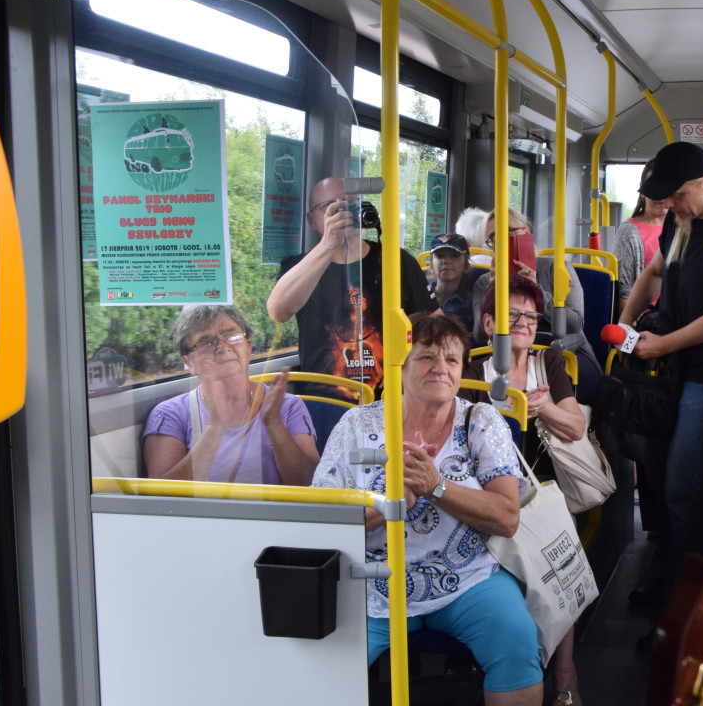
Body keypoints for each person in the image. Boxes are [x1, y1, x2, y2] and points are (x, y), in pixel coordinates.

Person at [312, 313, 542, 706]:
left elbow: (506, 517)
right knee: (320, 667)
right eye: (427, 357)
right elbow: (323, 525)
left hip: (467, 579)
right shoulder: (355, 424)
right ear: (399, 365)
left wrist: (436, 486)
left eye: (452, 360)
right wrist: (391, 503)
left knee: (518, 643)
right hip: (373, 583)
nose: (441, 368)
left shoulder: (480, 420)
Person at [617, 141, 703, 600]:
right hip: (666, 372)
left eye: (677, 194)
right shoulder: (678, 221)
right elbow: (653, 273)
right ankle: (669, 580)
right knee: (658, 482)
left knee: (683, 490)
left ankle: (686, 604)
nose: (669, 205)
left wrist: (662, 344)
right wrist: (624, 327)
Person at [459, 275, 586, 706]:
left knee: (556, 541)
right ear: (489, 320)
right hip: (484, 488)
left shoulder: (545, 363)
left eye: (531, 316)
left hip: (540, 487)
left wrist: (542, 406)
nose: (524, 323)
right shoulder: (472, 371)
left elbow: (576, 426)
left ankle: (564, 674)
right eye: (512, 315)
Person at [267, 176, 436, 402]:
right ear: (313, 220)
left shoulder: (395, 260)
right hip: (324, 400)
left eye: (351, 205)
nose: (344, 214)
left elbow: (435, 324)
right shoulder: (299, 267)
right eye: (331, 207)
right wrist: (328, 245)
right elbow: (278, 311)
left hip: (390, 399)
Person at [143, 305, 318, 485]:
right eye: (207, 342)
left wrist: (274, 424)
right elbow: (161, 497)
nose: (223, 347)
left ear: (248, 349)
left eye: (232, 336)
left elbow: (312, 483)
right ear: (189, 362)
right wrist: (216, 428)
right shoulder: (170, 414)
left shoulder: (287, 406)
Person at [473, 209, 598, 400]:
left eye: (509, 232)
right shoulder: (484, 282)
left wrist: (536, 288)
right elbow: (479, 334)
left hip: (565, 352)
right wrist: (493, 292)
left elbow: (574, 323)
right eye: (494, 238)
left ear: (526, 233)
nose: (502, 242)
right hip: (507, 355)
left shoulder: (555, 268)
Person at [616, 159, 667, 302]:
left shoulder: (682, 228)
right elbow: (624, 291)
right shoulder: (629, 232)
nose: (660, 195)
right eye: (654, 187)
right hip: (645, 318)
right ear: (643, 190)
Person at [427, 232, 480, 335]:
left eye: (454, 256)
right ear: (432, 266)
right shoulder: (422, 295)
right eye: (440, 256)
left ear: (466, 265)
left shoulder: (473, 299)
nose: (446, 261)